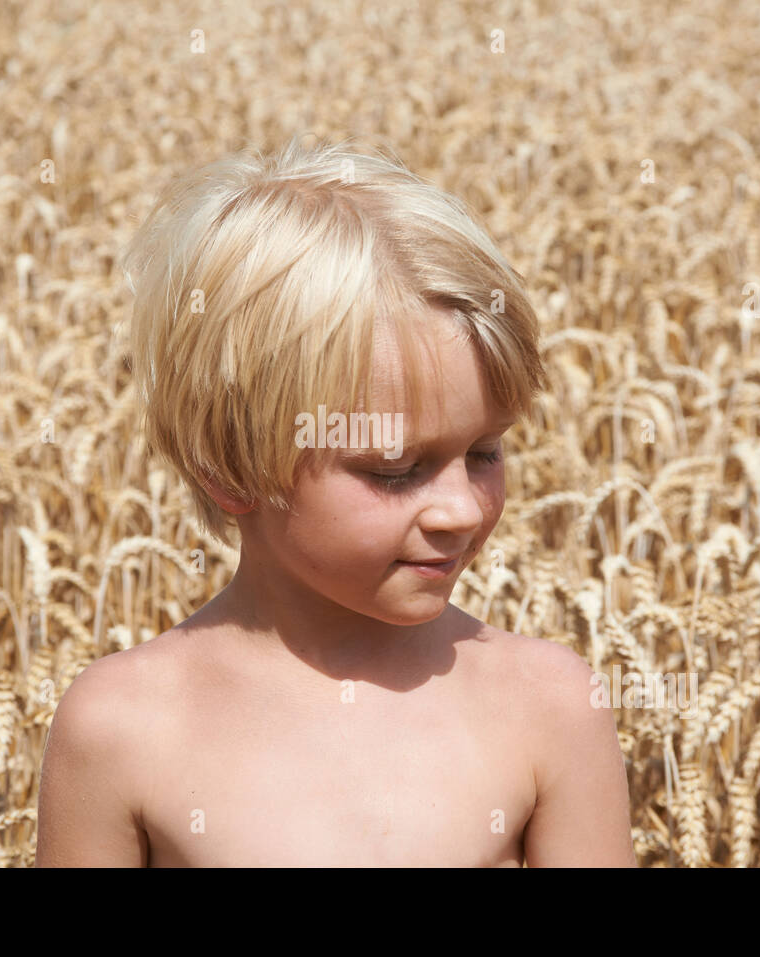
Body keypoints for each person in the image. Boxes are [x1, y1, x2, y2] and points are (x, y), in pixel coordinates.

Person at [36, 135, 636, 866]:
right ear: (228, 465)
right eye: (396, 469)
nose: (463, 509)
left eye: (484, 453)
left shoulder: (552, 706)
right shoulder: (119, 727)